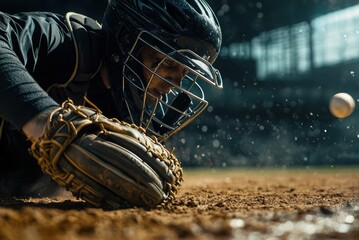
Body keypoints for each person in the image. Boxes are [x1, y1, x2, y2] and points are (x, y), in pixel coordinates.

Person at [0, 0, 223, 196]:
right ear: (126, 37)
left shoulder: (126, 115)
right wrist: (44, 120)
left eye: (184, 72)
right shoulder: (63, 42)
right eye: (168, 62)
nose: (175, 83)